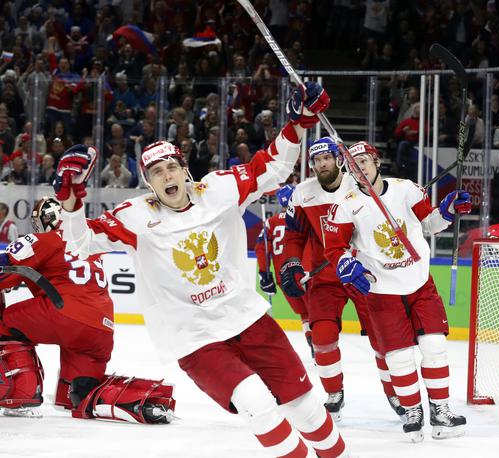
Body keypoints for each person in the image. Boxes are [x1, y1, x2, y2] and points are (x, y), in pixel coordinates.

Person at [54, 83, 351, 457]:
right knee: (256, 402)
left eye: (172, 167)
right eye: (157, 172)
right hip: (195, 339)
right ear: (148, 182)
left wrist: (299, 122)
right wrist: (70, 200)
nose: (166, 176)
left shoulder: (219, 189)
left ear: (185, 169)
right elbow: (79, 244)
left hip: (247, 319)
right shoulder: (135, 217)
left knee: (306, 408)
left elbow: (273, 167)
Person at [323, 141, 470, 442]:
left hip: (419, 283)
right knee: (399, 357)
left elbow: (430, 223)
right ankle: (413, 412)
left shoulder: (407, 190)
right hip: (381, 291)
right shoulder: (347, 205)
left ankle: (441, 412)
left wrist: (449, 209)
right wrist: (346, 265)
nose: (360, 166)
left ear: (377, 162)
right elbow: (335, 249)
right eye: (354, 163)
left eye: (364, 160)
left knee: (434, 348)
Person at [0, 197, 175, 422]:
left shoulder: (46, 239)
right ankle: (145, 402)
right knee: (82, 395)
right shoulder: (93, 246)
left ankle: (21, 393)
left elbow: (5, 266)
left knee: (4, 322)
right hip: (101, 332)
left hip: (64, 315)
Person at [281, 136, 405, 422]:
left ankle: (396, 394)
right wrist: (292, 263)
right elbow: (295, 236)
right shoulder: (303, 193)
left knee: (382, 339)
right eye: (316, 160)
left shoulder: (359, 185)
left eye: (326, 158)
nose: (321, 164)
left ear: (339, 160)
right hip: (324, 278)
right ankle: (334, 395)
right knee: (322, 338)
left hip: (365, 276)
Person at [255, 184, 313, 355]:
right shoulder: (304, 217)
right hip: (304, 273)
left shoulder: (271, 222)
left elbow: (261, 248)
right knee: (316, 312)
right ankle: (319, 344)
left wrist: (265, 274)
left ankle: (311, 338)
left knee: (304, 313)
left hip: (284, 279)